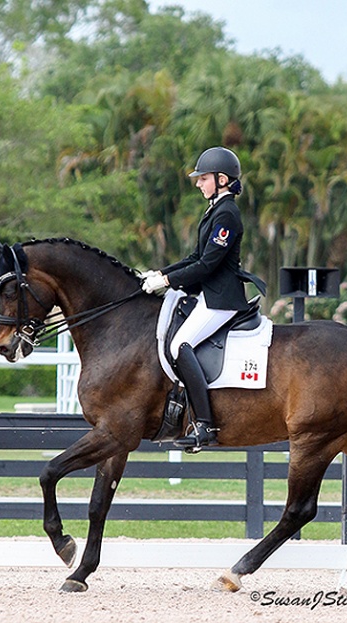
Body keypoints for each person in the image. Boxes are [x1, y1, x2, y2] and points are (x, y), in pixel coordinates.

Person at [141, 146, 266, 450]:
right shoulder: (215, 210)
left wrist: (168, 281)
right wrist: (159, 273)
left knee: (179, 345)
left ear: (222, 179)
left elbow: (207, 265)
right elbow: (195, 256)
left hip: (221, 299)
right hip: (209, 297)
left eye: (203, 178)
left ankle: (205, 425)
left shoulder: (228, 214)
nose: (198, 183)